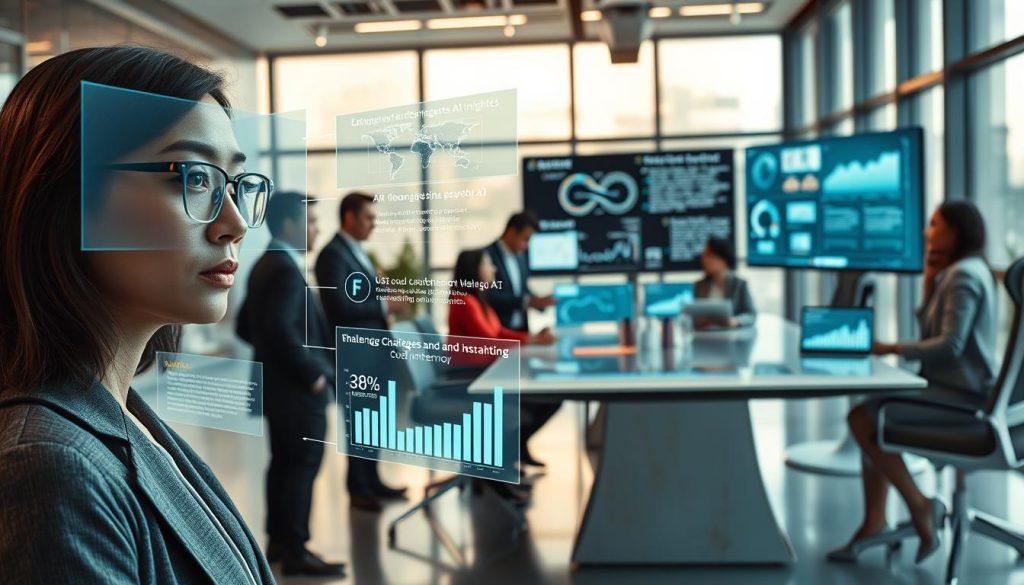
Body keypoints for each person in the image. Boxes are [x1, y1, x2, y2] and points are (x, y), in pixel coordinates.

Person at [0, 47, 274, 583]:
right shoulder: (47, 462)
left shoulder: (118, 414)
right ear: (66, 196)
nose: (235, 223)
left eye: (234, 183)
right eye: (193, 177)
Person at [828, 200, 997, 564]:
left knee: (863, 418)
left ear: (955, 231)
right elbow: (940, 335)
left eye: (934, 224)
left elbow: (949, 345)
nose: (926, 231)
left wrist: (889, 347)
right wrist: (929, 282)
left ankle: (918, 506)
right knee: (871, 414)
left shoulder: (962, 276)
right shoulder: (965, 270)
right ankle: (876, 519)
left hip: (963, 397)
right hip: (961, 391)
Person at [236, 191, 344, 576]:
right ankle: (296, 551)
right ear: (288, 225)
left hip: (279, 391)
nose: (317, 229)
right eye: (311, 222)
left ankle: (280, 543)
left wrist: (275, 356)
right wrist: (311, 373)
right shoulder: (283, 268)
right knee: (301, 467)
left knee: (284, 465)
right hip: (297, 393)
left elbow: (247, 326)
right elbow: (280, 330)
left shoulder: (266, 264)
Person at [315, 191, 407, 512]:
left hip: (372, 354)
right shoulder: (332, 255)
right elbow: (340, 305)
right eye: (368, 217)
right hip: (355, 356)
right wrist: (385, 304)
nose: (373, 224)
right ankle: (359, 489)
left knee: (374, 420)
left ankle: (373, 481)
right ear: (349, 218)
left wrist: (381, 290)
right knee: (359, 423)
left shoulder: (357, 252)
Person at [484, 212, 560, 467]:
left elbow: (522, 291)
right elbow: (492, 298)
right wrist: (527, 302)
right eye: (525, 239)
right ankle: (507, 458)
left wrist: (538, 302)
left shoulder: (520, 257)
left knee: (547, 395)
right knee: (530, 400)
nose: (526, 246)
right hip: (499, 346)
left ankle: (518, 447)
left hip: (517, 338)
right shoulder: (486, 258)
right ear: (511, 232)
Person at [693, 236, 756, 328]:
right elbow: (694, 316)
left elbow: (751, 315)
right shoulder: (700, 285)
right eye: (704, 255)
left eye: (709, 255)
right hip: (705, 334)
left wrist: (736, 321)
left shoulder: (739, 284)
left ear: (723, 260)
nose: (704, 259)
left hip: (731, 334)